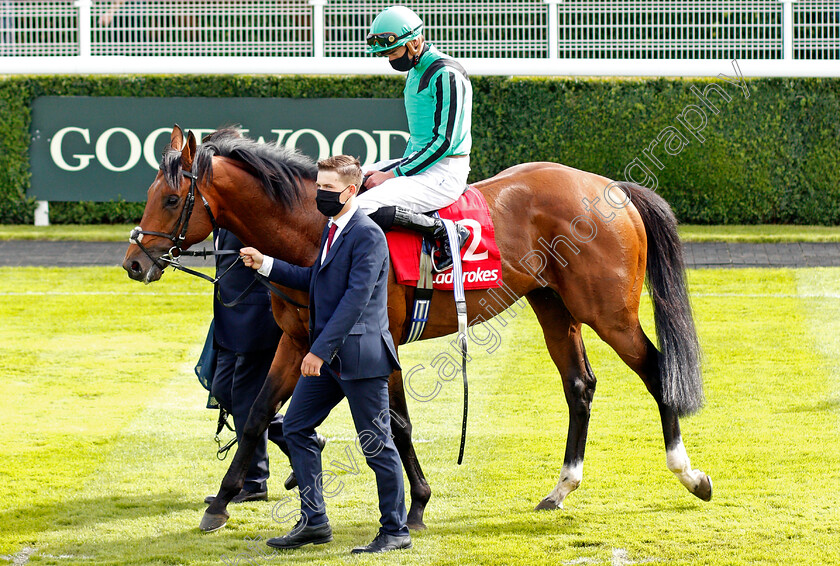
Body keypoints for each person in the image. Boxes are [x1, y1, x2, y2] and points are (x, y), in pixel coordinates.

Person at [239, 155, 410, 554]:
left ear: (351, 191)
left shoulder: (367, 235)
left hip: (361, 359)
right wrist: (265, 264)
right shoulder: (332, 230)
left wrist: (317, 350)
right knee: (297, 427)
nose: (321, 195)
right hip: (333, 360)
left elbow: (355, 301)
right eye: (318, 187)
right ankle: (314, 521)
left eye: (329, 189)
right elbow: (312, 280)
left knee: (377, 445)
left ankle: (396, 530)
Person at [204, 228, 323, 505]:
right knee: (223, 391)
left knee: (247, 398)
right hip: (228, 314)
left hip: (257, 314)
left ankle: (254, 481)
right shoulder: (217, 212)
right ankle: (304, 442)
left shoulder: (247, 203)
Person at [361, 5, 473, 272]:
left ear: (414, 43)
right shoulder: (415, 69)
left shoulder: (446, 74)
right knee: (351, 182)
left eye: (392, 52)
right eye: (386, 54)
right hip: (421, 163)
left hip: (446, 172)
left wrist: (394, 174)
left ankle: (448, 233)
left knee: (363, 206)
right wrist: (395, 171)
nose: (390, 60)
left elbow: (444, 142)